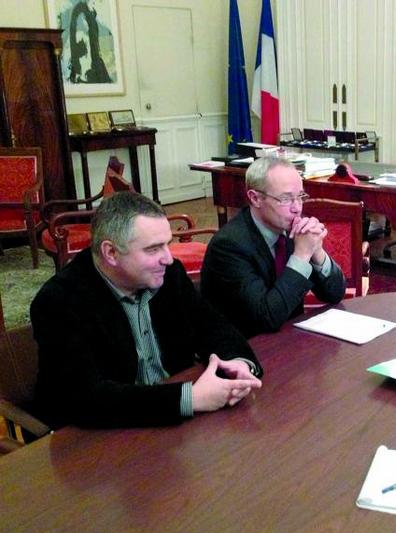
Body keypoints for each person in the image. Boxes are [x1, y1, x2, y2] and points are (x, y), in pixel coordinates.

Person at [31, 192, 263, 429]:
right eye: (153, 249)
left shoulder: (170, 276)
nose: (168, 258)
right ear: (110, 252)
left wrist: (238, 363)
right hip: (95, 438)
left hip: (172, 426)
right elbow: (87, 397)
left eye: (167, 244)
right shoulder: (59, 301)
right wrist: (189, 399)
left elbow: (213, 326)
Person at [201, 157, 345, 337]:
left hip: (291, 341)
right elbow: (267, 317)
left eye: (300, 196)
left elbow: (335, 294)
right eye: (285, 199)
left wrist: (316, 251)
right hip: (247, 351)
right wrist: (301, 255)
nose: (297, 208)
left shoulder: (293, 229)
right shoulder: (229, 246)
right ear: (255, 198)